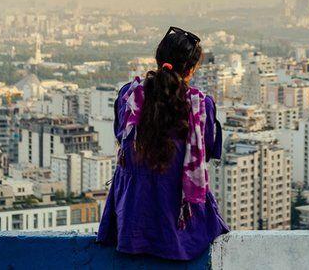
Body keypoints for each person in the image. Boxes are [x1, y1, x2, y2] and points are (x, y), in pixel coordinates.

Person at [97, 26, 228, 260]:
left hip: (131, 218)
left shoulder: (129, 96)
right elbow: (205, 152)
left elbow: (121, 135)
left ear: (158, 59)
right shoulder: (200, 106)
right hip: (180, 224)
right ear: (192, 69)